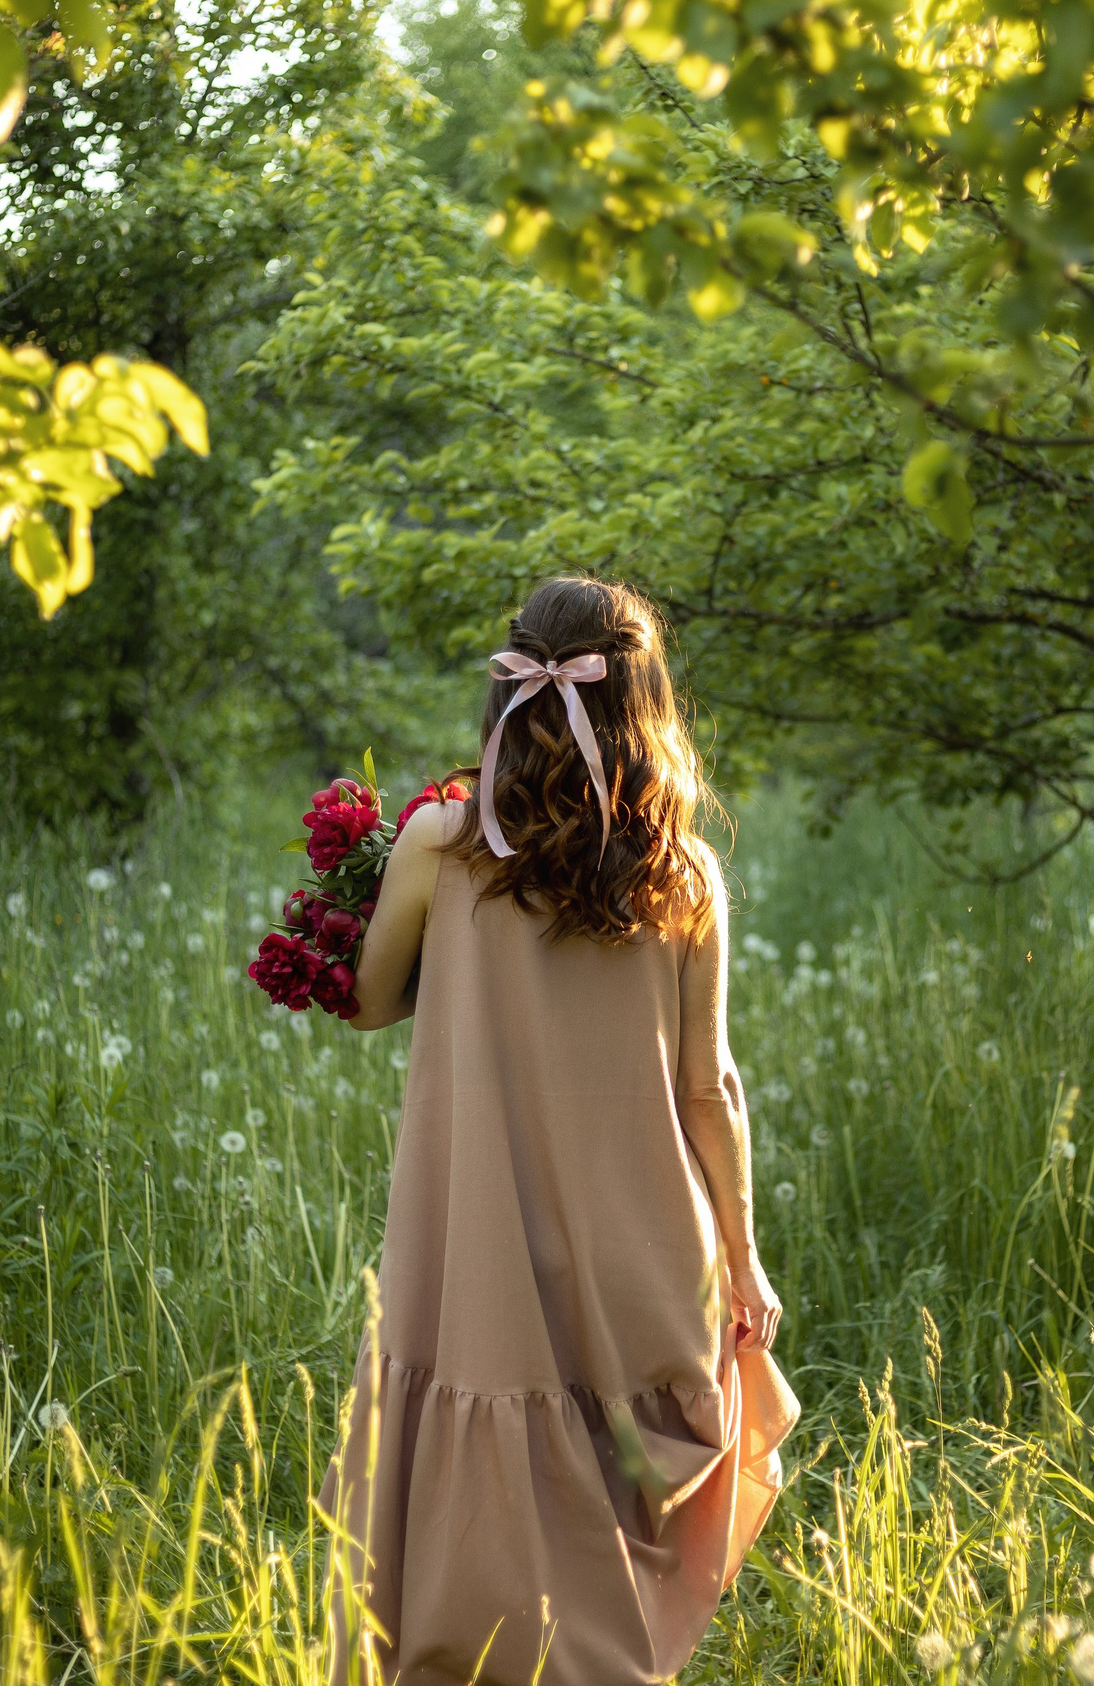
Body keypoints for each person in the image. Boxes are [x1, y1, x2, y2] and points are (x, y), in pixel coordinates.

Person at [320, 577, 794, 1685]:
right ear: (645, 704)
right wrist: (742, 1256)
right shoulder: (681, 873)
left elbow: (368, 999)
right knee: (617, 1482)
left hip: (478, 1240)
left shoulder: (441, 841)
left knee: (486, 1457)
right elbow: (709, 1088)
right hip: (643, 1247)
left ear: (508, 696)